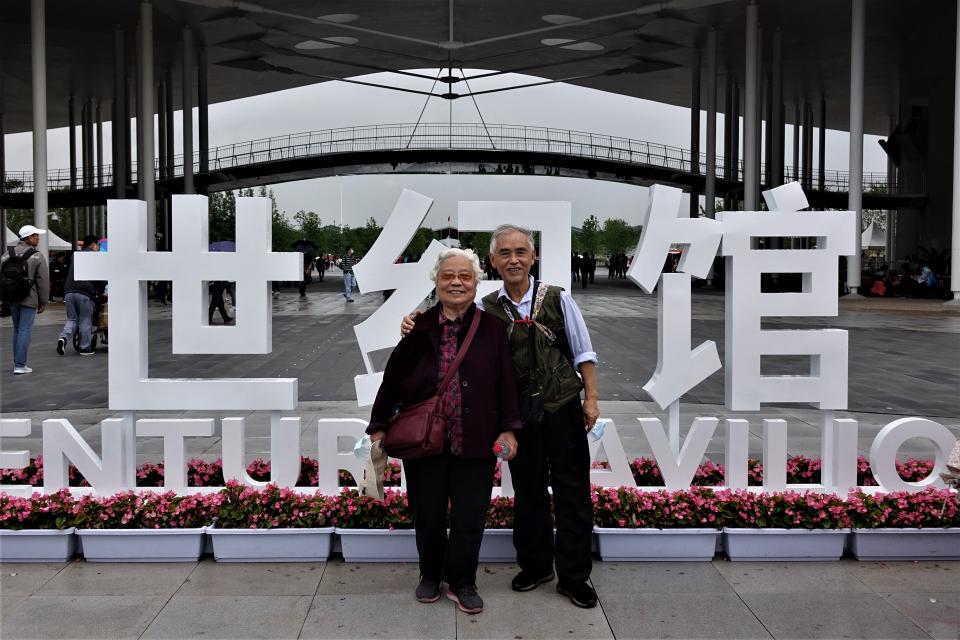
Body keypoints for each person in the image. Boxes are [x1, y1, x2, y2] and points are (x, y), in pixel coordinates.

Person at [402, 224, 601, 609]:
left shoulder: (559, 300)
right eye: (505, 254)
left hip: (561, 408)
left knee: (572, 491)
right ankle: (536, 565)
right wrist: (414, 321)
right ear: (493, 261)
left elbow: (584, 353)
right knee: (527, 492)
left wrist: (590, 400)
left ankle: (575, 576)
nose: (513, 260)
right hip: (517, 417)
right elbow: (451, 316)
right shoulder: (486, 307)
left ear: (533, 257)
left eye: (520, 252)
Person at [369, 248, 520, 614]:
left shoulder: (493, 329)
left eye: (464, 277)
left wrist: (509, 431)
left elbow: (507, 383)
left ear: (476, 283)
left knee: (471, 516)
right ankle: (430, 575)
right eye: (448, 276)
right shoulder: (418, 327)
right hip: (425, 442)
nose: (456, 283)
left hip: (477, 439)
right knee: (428, 514)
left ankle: (463, 581)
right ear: (436, 283)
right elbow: (394, 380)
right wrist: (378, 427)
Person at [1, 225, 50, 374]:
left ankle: (18, 363)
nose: (38, 238)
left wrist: (3, 299)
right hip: (29, 298)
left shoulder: (6, 255)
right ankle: (20, 365)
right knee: (24, 330)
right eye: (35, 235)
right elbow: (43, 281)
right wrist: (44, 301)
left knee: (17, 330)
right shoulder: (36, 256)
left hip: (11, 298)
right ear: (28, 238)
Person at [56, 234, 102, 356]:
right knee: (85, 319)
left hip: (69, 291)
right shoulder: (94, 257)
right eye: (98, 245)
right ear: (93, 245)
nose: (98, 248)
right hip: (85, 292)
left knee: (71, 318)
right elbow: (99, 277)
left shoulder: (74, 256)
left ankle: (63, 338)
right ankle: (85, 347)